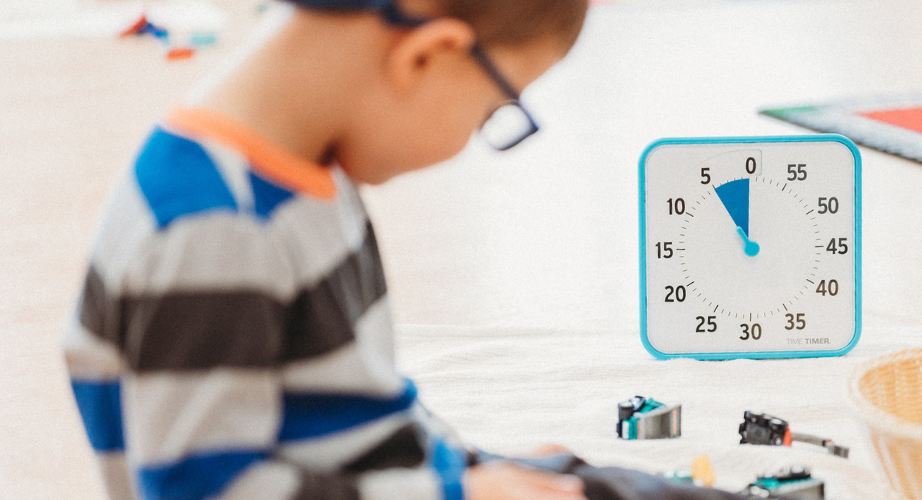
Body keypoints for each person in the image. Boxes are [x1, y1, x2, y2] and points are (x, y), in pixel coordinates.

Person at [62, 1, 589, 499]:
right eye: (490, 110)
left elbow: (358, 404)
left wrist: (472, 468)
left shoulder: (306, 168)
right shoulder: (213, 228)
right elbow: (205, 491)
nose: (473, 135)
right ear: (425, 55)